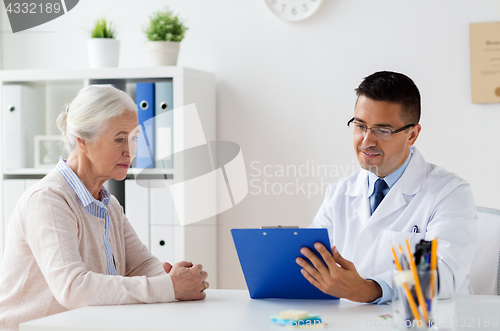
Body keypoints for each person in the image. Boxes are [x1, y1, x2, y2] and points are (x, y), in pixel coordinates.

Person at [0, 85, 208, 331]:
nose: (130, 152)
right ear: (82, 141)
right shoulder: (48, 200)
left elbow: (140, 266)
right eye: (120, 139)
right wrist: (169, 287)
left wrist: (176, 277)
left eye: (134, 139)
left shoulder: (109, 205)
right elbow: (73, 289)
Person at [296, 71, 477, 304]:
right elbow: (310, 260)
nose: (367, 140)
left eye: (383, 130)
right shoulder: (339, 193)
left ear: (412, 135)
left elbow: (443, 272)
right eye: (360, 125)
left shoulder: (449, 193)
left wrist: (370, 290)